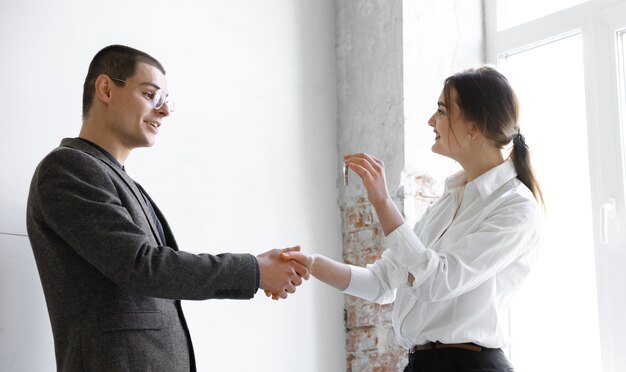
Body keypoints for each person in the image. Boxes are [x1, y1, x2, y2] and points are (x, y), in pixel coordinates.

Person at [26, 44, 309, 372]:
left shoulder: (122, 183)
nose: (164, 111)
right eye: (150, 95)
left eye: (165, 101)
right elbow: (142, 266)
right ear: (105, 89)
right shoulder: (68, 168)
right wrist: (254, 270)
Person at [281, 66, 543, 371]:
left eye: (442, 111)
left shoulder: (516, 207)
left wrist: (382, 201)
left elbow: (435, 282)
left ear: (474, 126)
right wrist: (312, 264)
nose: (431, 121)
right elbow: (381, 283)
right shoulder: (448, 202)